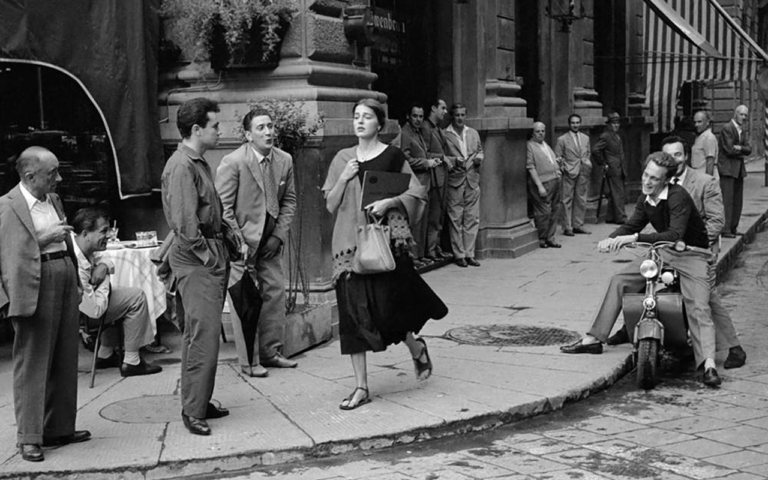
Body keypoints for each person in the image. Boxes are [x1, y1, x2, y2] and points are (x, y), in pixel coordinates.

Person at [322, 98, 448, 410]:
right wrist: (343, 178)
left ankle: (414, 346)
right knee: (353, 318)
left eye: (367, 117)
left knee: (389, 311)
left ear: (380, 124)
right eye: (356, 117)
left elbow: (416, 192)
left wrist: (389, 203)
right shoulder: (342, 158)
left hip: (386, 243)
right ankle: (361, 386)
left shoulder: (392, 156)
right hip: (349, 247)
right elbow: (330, 204)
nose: (360, 122)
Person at [560, 152, 722, 387]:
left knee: (698, 305)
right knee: (619, 280)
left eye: (654, 179)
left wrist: (632, 238)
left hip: (691, 254)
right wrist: (611, 239)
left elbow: (674, 234)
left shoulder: (678, 197)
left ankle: (708, 364)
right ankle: (594, 338)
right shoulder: (645, 199)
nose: (647, 181)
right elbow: (632, 223)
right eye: (646, 175)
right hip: (662, 253)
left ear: (666, 181)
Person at [0, 146, 90, 462]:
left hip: (63, 273)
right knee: (33, 361)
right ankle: (28, 437)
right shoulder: (7, 207)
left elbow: (65, 240)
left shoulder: (52, 200)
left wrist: (77, 279)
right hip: (33, 282)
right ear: (30, 175)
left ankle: (59, 427)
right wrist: (42, 237)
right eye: (52, 173)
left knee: (66, 354)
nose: (59, 178)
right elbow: (6, 253)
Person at [161, 98, 230, 436]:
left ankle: (199, 401)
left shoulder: (195, 162)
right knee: (202, 336)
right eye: (215, 126)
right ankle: (193, 410)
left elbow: (207, 211)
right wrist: (210, 256)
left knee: (202, 334)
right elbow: (187, 227)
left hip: (205, 256)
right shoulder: (181, 167)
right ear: (196, 129)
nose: (220, 131)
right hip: (198, 259)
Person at [216, 107, 298, 378]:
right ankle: (249, 362)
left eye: (270, 126)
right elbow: (223, 208)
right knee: (246, 302)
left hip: (270, 240)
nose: (268, 132)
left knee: (274, 292)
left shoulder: (284, 160)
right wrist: (238, 242)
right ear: (248, 134)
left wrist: (277, 235)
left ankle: (271, 352)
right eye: (261, 127)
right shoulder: (233, 162)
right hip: (241, 244)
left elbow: (289, 200)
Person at [661, 137, 746, 369]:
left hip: (699, 251)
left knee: (706, 298)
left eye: (678, 155)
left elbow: (717, 221)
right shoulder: (661, 183)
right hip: (673, 252)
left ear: (686, 156)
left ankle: (734, 348)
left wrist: (687, 243)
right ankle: (684, 345)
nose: (673, 160)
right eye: (668, 156)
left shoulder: (704, 182)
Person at [71, 207, 162, 377]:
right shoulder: (76, 261)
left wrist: (104, 266)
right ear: (85, 233)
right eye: (103, 231)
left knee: (119, 295)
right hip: (81, 316)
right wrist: (104, 278)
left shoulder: (81, 245)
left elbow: (105, 259)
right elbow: (95, 311)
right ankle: (132, 361)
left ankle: (105, 353)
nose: (109, 235)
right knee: (136, 297)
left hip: (86, 306)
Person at [401, 103, 444, 265]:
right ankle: (413, 256)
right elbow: (405, 158)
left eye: (420, 116)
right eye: (415, 116)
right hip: (415, 182)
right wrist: (425, 163)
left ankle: (421, 254)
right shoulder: (405, 133)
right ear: (408, 116)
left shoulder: (419, 132)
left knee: (425, 219)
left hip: (426, 181)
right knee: (416, 221)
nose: (418, 119)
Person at [443, 103, 484, 267]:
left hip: (472, 179)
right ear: (452, 116)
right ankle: (458, 254)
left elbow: (480, 150)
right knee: (455, 218)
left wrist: (480, 157)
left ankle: (470, 253)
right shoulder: (445, 134)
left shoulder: (473, 133)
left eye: (462, 115)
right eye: (457, 115)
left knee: (472, 218)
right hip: (455, 179)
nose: (460, 118)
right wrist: (454, 161)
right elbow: (442, 156)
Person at [422, 99, 451, 261]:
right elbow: (423, 153)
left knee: (439, 214)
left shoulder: (438, 129)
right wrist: (442, 157)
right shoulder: (426, 128)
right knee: (433, 215)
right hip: (433, 177)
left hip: (442, 175)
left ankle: (436, 247)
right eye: (443, 108)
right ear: (433, 108)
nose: (445, 112)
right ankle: (430, 250)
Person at [526, 122, 562, 249]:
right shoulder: (530, 146)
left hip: (555, 179)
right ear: (533, 133)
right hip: (542, 182)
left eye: (543, 131)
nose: (541, 133)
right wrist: (539, 185)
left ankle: (550, 237)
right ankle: (542, 237)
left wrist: (557, 167)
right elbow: (530, 167)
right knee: (543, 211)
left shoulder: (545, 144)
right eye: (538, 131)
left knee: (555, 209)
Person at [555, 113, 592, 236]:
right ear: (569, 124)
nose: (575, 125)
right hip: (569, 172)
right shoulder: (562, 139)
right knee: (567, 199)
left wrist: (586, 163)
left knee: (581, 199)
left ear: (580, 123)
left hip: (583, 170)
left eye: (577, 123)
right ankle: (567, 227)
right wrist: (564, 168)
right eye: (573, 123)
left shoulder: (585, 138)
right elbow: (558, 157)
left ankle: (578, 225)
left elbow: (588, 152)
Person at [717, 105, 751, 238]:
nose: (743, 117)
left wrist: (740, 148)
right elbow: (729, 149)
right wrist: (742, 150)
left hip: (738, 170)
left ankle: (733, 227)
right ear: (735, 114)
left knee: (737, 200)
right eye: (741, 114)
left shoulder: (742, 130)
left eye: (745, 115)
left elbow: (749, 149)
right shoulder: (727, 128)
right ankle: (726, 229)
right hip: (728, 169)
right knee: (727, 200)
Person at [592, 111, 628, 225]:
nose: (616, 125)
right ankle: (621, 217)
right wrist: (603, 163)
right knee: (618, 193)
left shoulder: (616, 136)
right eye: (613, 123)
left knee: (614, 193)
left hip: (619, 167)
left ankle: (611, 216)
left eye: (618, 123)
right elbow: (595, 150)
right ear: (608, 124)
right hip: (613, 168)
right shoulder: (606, 136)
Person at [691, 110, 718, 178]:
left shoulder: (709, 138)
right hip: (698, 174)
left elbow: (710, 161)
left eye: (699, 122)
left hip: (704, 175)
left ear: (707, 122)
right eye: (695, 122)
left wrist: (708, 181)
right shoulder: (700, 137)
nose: (696, 125)